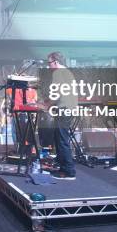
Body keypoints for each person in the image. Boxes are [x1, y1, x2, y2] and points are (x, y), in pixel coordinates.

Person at [47, 51, 76, 180]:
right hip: (68, 108)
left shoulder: (58, 73)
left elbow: (57, 94)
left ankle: (69, 171)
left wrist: (46, 104)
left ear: (56, 62)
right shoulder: (66, 72)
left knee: (62, 140)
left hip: (64, 109)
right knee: (60, 138)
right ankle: (63, 167)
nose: (48, 66)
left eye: (49, 63)